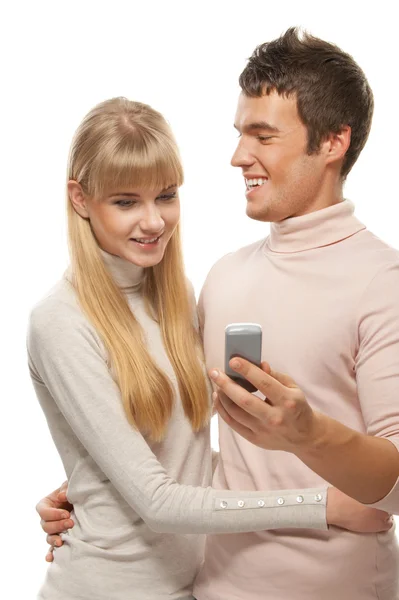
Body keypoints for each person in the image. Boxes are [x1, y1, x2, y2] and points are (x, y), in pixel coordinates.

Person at [33, 31, 396, 599]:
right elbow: (166, 481)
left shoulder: (379, 281)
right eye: (125, 201)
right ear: (82, 199)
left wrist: (311, 436)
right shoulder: (214, 280)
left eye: (263, 135)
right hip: (183, 586)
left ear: (333, 142)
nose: (237, 156)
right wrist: (98, 488)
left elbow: (391, 488)